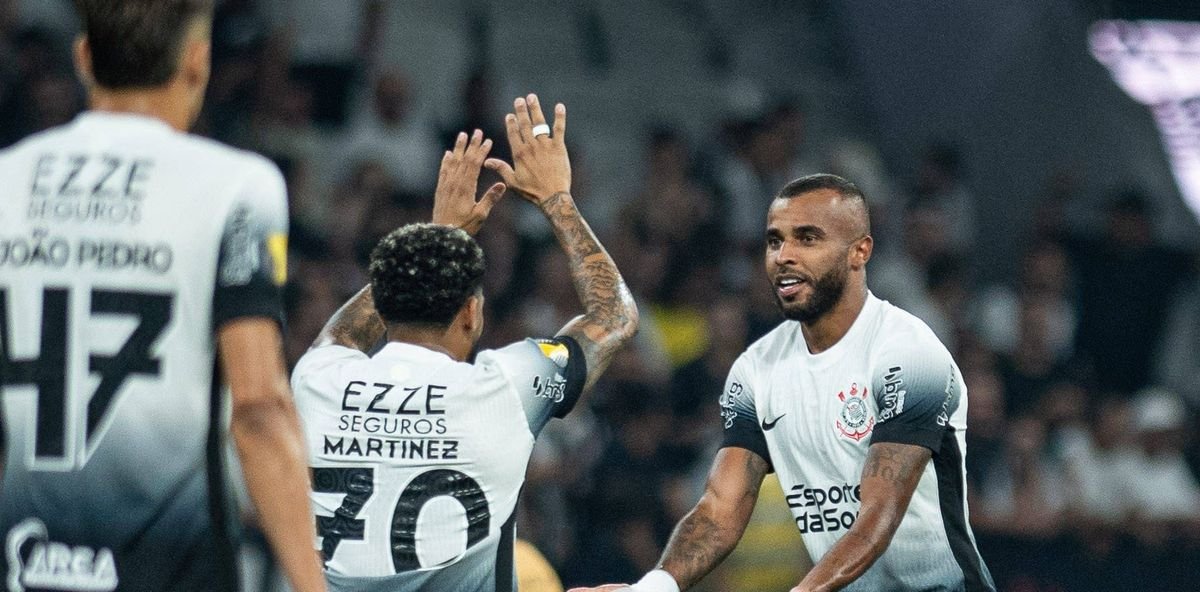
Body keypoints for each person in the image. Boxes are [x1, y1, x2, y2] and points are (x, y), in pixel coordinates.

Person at [0, 1, 325, 592]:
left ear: (83, 58)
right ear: (197, 61)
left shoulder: (8, 180)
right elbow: (257, 409)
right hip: (174, 568)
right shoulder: (238, 188)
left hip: (25, 558)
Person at [571, 174, 993, 592]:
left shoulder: (908, 353)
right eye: (775, 241)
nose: (783, 256)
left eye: (807, 239)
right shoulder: (756, 369)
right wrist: (651, 589)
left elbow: (877, 518)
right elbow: (721, 508)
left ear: (859, 251)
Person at [291, 94, 638, 591]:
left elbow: (342, 333)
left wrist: (438, 236)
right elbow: (614, 316)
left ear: (383, 307)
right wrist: (557, 200)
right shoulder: (505, 387)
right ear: (472, 313)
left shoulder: (318, 381)